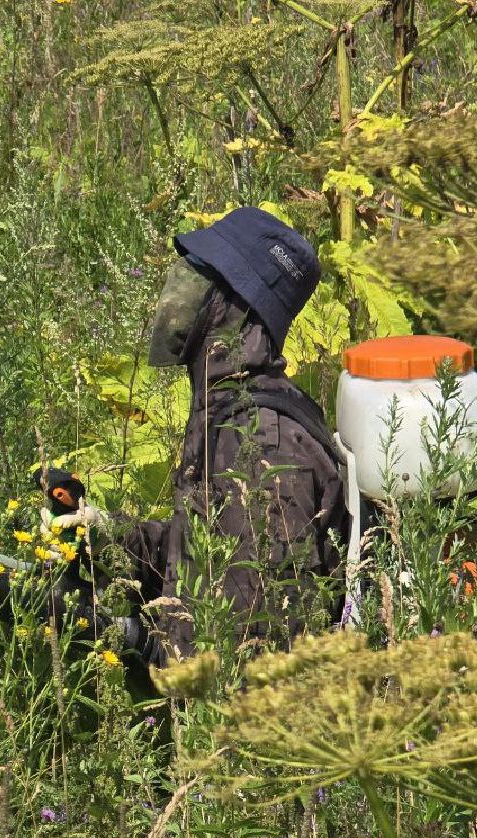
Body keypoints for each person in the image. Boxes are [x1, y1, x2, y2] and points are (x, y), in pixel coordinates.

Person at [115, 206, 348, 669]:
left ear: (232, 312)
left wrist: (152, 654)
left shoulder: (263, 449)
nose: (175, 294)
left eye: (201, 278)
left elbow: (260, 652)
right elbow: (205, 556)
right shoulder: (227, 412)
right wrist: (109, 539)